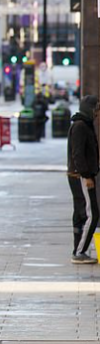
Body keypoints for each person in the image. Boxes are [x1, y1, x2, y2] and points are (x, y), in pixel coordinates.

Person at [67, 95, 100, 264]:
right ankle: (80, 251)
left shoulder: (83, 124)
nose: (96, 112)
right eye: (95, 108)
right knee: (92, 213)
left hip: (80, 174)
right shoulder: (80, 126)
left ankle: (78, 249)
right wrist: (86, 175)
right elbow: (78, 154)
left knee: (81, 213)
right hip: (81, 176)